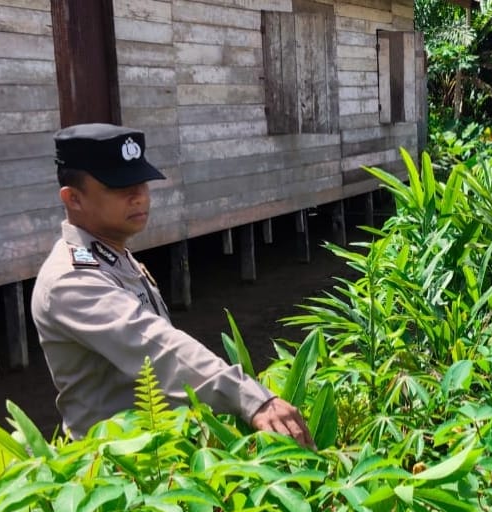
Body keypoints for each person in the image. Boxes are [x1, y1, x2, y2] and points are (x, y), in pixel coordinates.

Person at [31, 123, 314, 447]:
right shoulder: (72, 280)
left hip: (158, 452)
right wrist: (252, 398)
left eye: (142, 183)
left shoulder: (113, 256)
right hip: (118, 468)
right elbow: (157, 347)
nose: (139, 197)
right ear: (74, 198)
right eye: (119, 186)